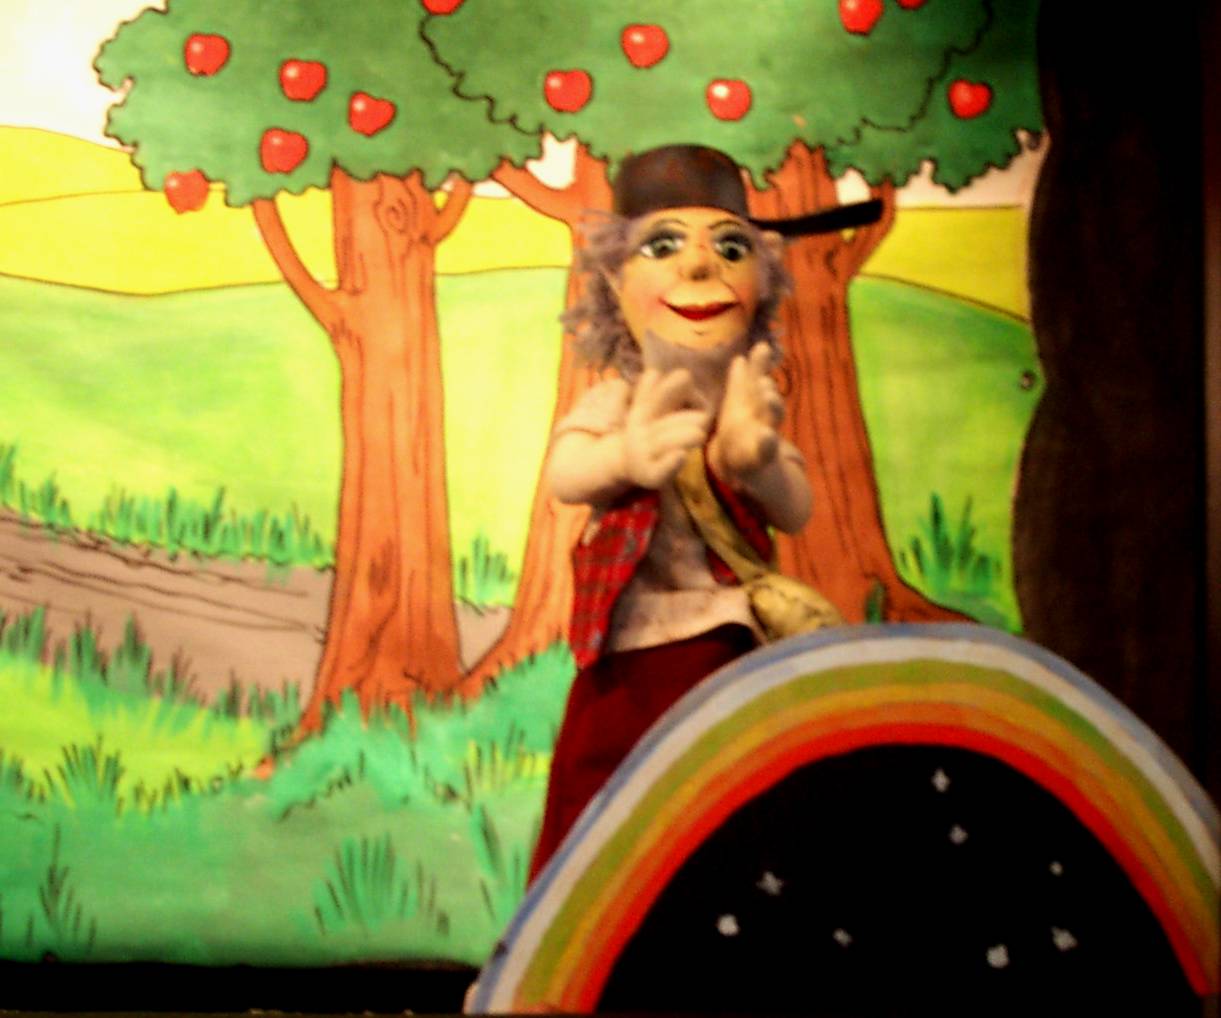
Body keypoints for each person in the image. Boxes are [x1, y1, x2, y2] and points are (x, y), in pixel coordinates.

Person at [529, 144, 879, 881]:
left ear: (761, 281)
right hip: (632, 652)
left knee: (734, 813)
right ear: (615, 282)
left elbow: (796, 509)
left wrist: (755, 458)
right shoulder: (621, 402)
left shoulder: (745, 403)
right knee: (607, 817)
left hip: (731, 650)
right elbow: (565, 472)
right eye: (663, 246)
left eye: (729, 248)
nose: (698, 267)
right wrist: (625, 457)